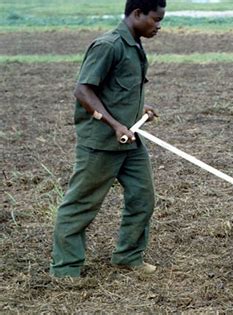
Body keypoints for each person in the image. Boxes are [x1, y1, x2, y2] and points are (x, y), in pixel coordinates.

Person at [50, 0, 166, 278]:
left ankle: (128, 256)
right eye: (155, 19)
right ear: (137, 14)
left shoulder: (134, 44)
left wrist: (139, 110)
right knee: (81, 204)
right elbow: (83, 91)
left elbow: (117, 90)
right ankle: (66, 269)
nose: (158, 26)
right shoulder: (108, 45)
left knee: (143, 198)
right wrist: (114, 124)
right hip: (102, 143)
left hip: (130, 141)